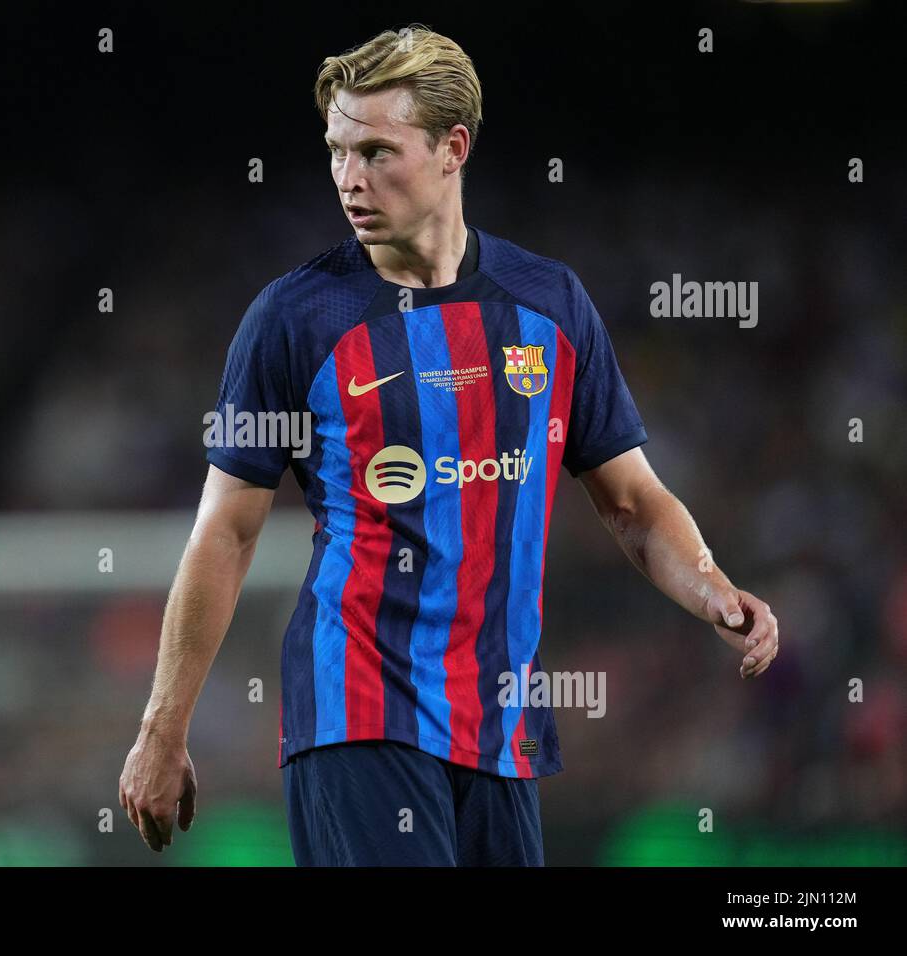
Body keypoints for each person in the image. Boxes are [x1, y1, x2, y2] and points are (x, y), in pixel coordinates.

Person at [118, 24, 779, 866]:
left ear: (451, 148)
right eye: (335, 151)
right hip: (356, 710)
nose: (348, 179)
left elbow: (632, 501)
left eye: (376, 151)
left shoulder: (550, 305)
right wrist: (161, 728)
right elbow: (227, 530)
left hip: (501, 725)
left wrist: (714, 588)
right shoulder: (294, 318)